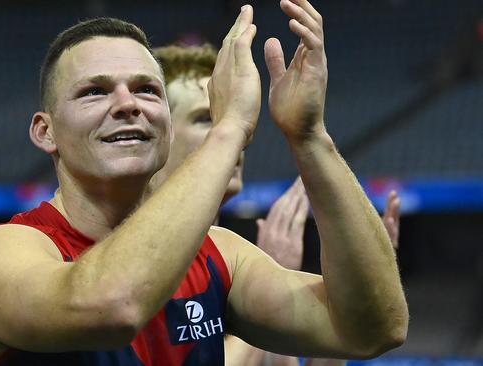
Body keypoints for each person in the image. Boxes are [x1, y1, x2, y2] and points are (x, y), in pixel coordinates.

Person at [0, 2, 408, 365]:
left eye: (147, 89)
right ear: (45, 132)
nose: (128, 104)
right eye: (95, 91)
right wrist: (230, 128)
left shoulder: (220, 255)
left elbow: (372, 330)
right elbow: (113, 305)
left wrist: (309, 137)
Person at [152, 44, 403, 366]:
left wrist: (368, 271)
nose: (231, 134)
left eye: (230, 118)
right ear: (157, 134)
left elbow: (364, 336)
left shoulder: (235, 258)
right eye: (206, 118)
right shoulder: (137, 254)